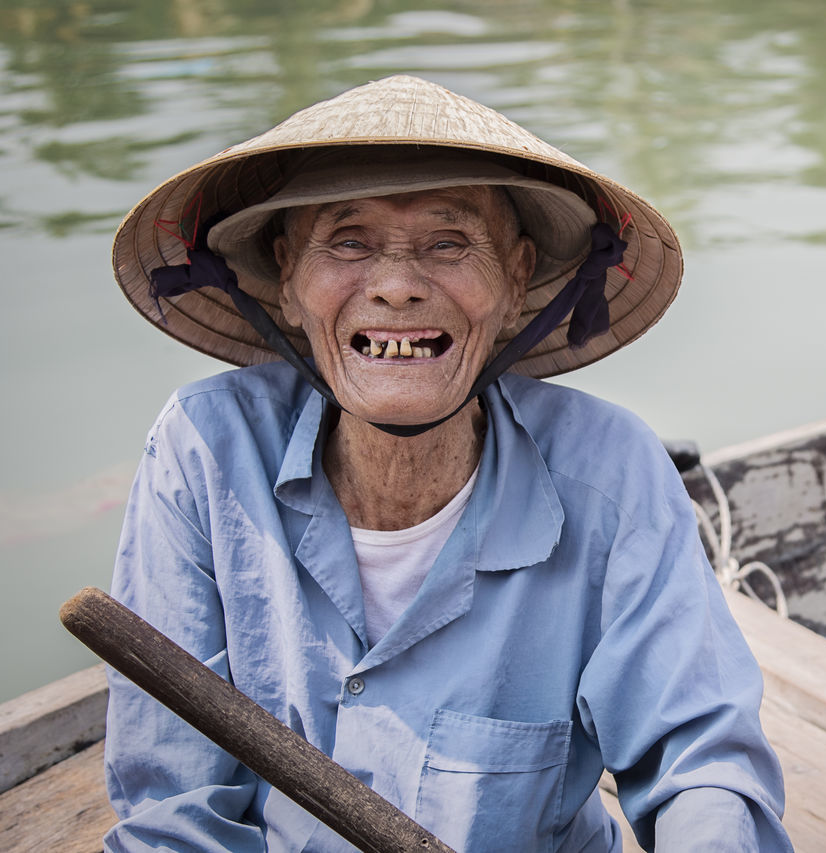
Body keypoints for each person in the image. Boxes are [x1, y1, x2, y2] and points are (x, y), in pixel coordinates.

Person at [103, 75, 790, 852]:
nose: (396, 287)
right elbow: (174, 806)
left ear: (516, 278)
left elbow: (699, 761)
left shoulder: (611, 472)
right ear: (288, 277)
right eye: (349, 241)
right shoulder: (203, 450)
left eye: (449, 243)